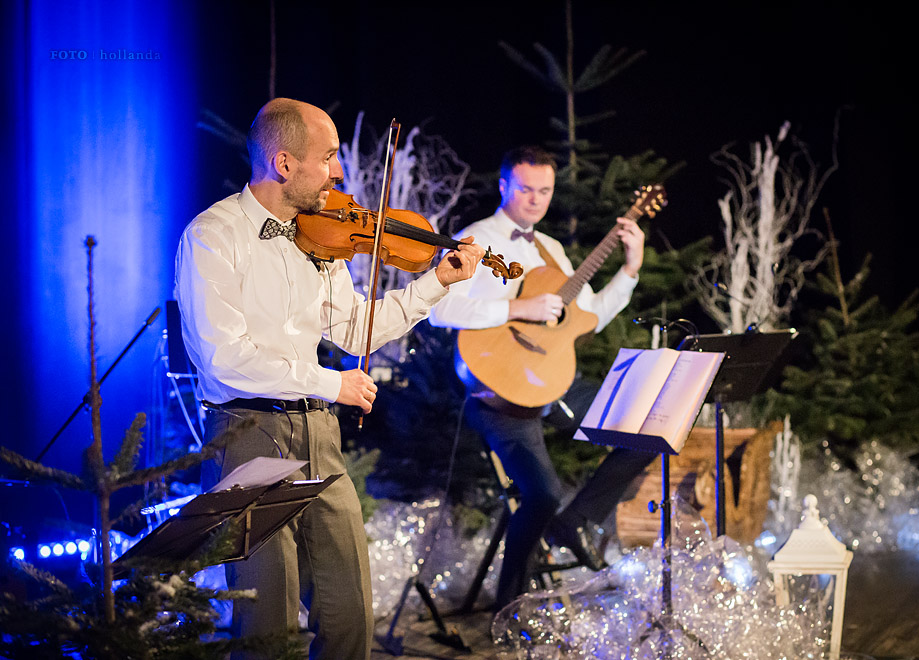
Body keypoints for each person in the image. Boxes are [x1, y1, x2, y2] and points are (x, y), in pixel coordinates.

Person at [174, 98, 485, 660]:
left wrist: (435, 282)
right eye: (330, 156)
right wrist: (328, 383)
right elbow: (224, 359)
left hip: (320, 435)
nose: (339, 171)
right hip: (247, 436)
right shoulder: (213, 235)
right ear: (285, 163)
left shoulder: (320, 239)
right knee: (266, 622)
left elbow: (358, 327)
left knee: (349, 613)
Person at [429, 146, 657, 609]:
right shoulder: (474, 239)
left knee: (646, 428)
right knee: (543, 493)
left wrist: (630, 268)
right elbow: (437, 308)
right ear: (503, 187)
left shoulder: (550, 250)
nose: (536, 199)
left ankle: (578, 522)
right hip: (497, 393)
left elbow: (587, 315)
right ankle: (509, 606)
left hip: (553, 381)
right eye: (526, 189)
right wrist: (518, 307)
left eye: (545, 191)